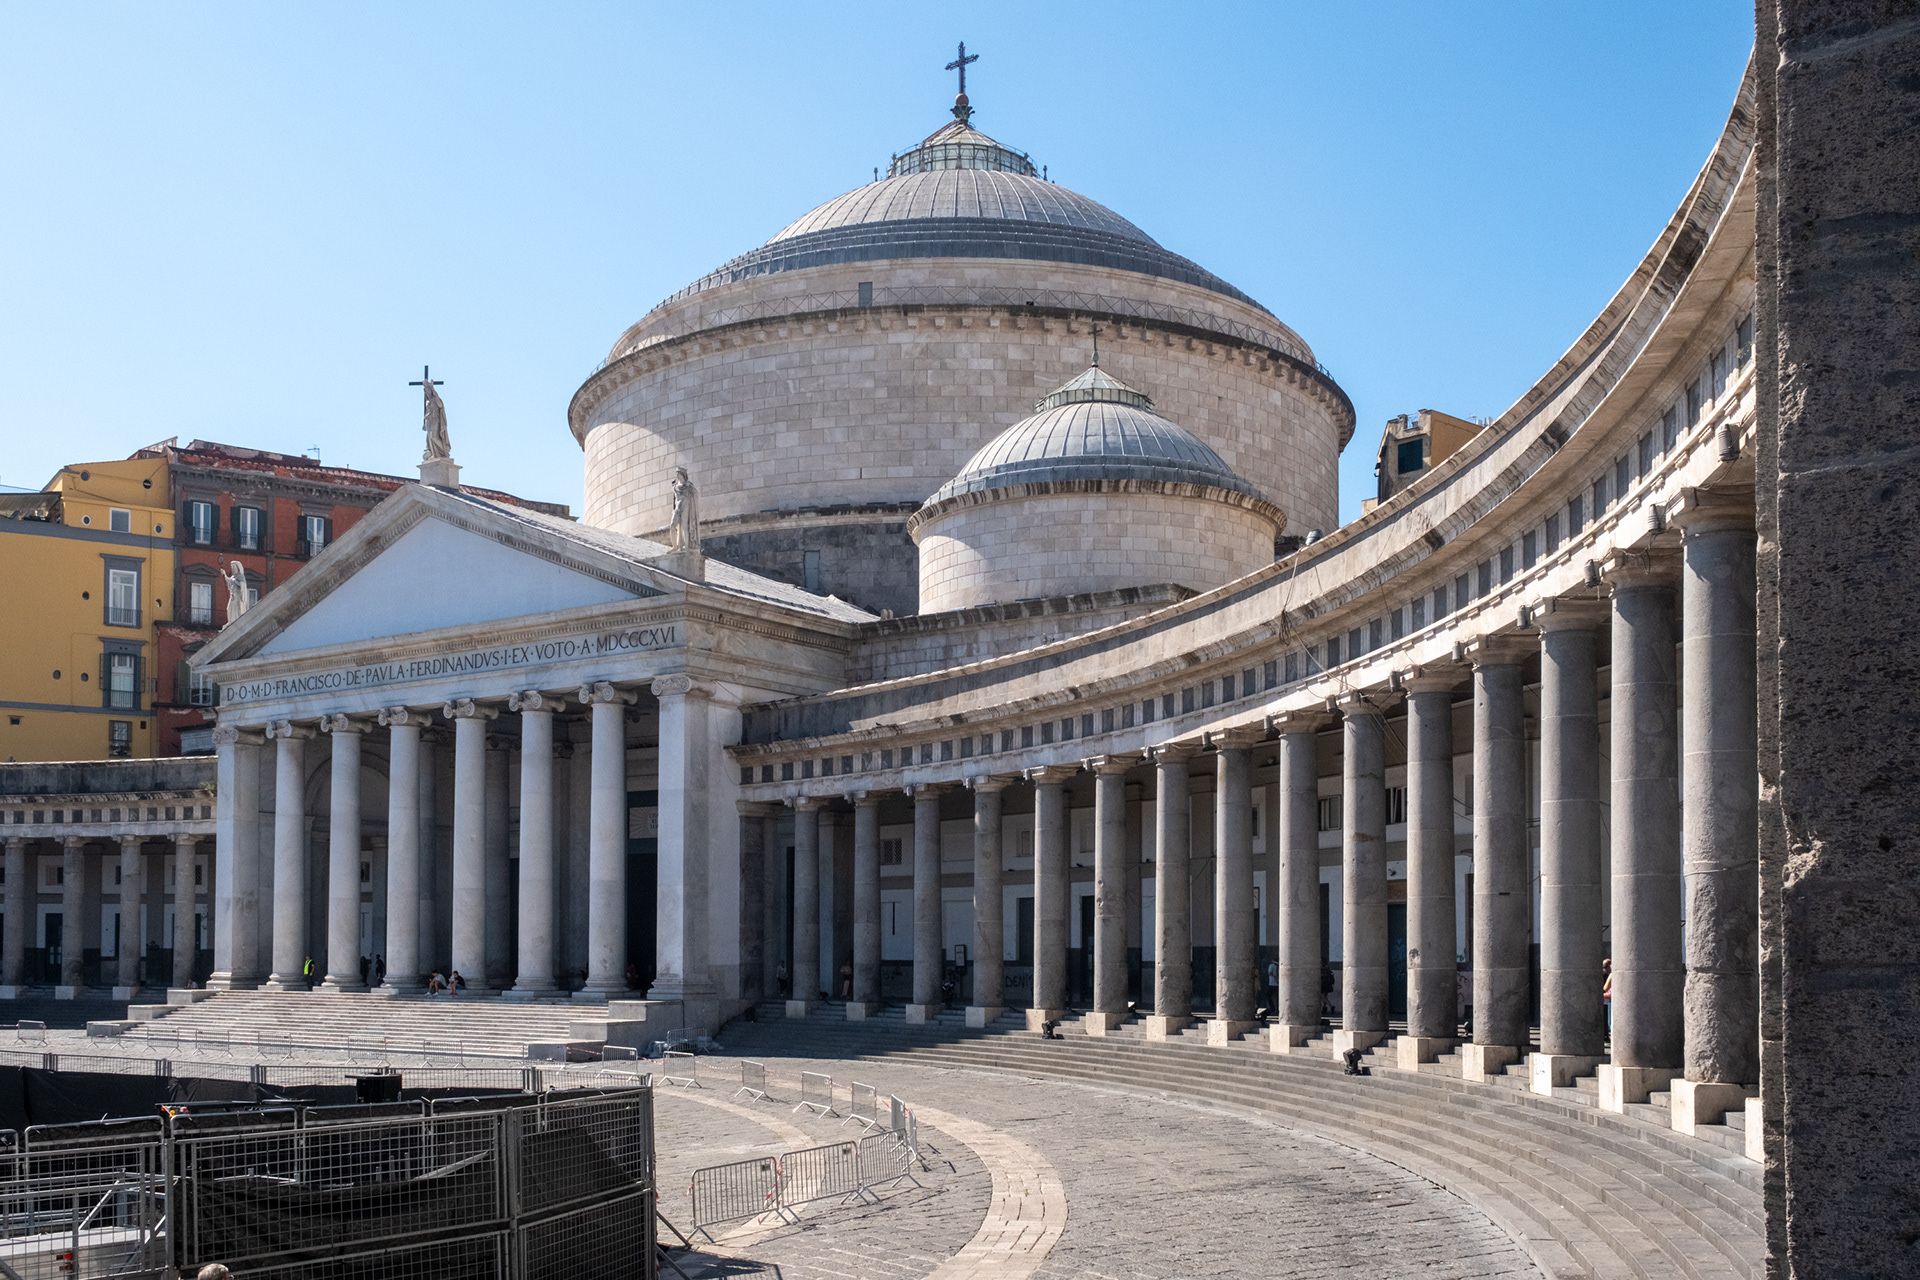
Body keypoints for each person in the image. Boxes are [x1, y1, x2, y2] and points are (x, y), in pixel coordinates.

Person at [1601, 958, 1613, 1037]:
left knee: (1609, 1022)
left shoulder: (1612, 975)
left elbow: (1605, 988)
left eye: (1605, 967)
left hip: (1610, 1000)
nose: (1604, 969)